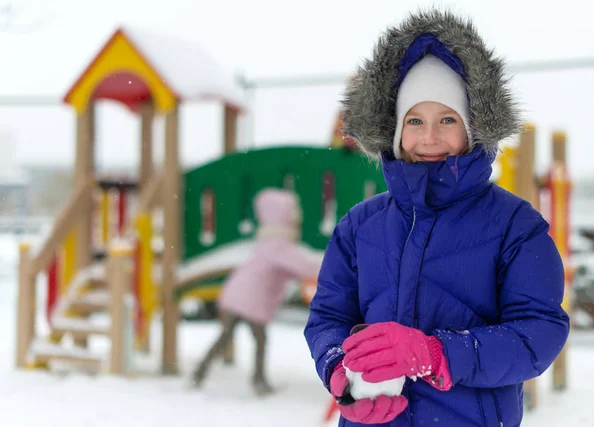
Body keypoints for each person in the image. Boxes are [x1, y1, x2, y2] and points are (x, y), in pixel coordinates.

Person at [304, 9, 569, 426]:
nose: (429, 137)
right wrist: (341, 373)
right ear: (395, 130)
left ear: (472, 128)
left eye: (447, 119)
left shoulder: (515, 225)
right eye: (415, 121)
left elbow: (540, 332)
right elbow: (328, 318)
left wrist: (437, 354)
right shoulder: (360, 226)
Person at [193, 188, 321, 396]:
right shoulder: (278, 246)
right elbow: (304, 266)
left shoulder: (268, 243)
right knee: (258, 341)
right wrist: (330, 265)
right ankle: (258, 381)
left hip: (236, 296)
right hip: (250, 300)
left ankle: (200, 372)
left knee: (225, 337)